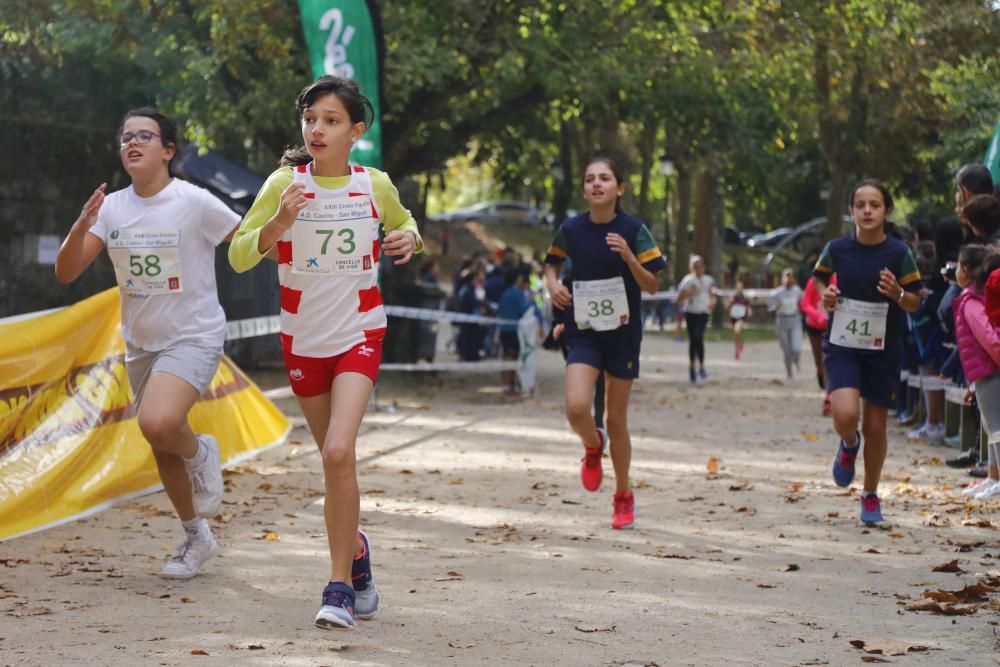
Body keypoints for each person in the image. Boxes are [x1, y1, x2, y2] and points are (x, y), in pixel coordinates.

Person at [228, 76, 422, 631]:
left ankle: (337, 588)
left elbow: (404, 222)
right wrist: (280, 222)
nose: (317, 129)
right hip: (302, 339)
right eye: (311, 118)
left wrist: (410, 237)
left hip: (360, 331)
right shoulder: (284, 183)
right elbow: (241, 255)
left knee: (339, 452)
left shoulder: (372, 184)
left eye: (331, 120)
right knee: (333, 463)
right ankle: (356, 552)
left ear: (355, 132)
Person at [54, 107, 236, 579]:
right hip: (142, 342)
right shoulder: (112, 207)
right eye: (125, 137)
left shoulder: (194, 201)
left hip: (194, 334)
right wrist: (80, 225)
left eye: (145, 136)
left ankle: (202, 454)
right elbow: (66, 272)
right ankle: (196, 536)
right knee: (159, 441)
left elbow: (247, 243)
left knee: (159, 421)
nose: (132, 143)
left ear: (168, 151)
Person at [544, 156, 666, 530]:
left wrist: (629, 257)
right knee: (577, 407)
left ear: (620, 188)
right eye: (590, 179)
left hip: (622, 335)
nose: (597, 184)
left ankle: (623, 494)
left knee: (616, 419)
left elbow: (653, 285)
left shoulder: (633, 228)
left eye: (605, 178)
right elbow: (551, 264)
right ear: (584, 189)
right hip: (583, 329)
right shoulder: (572, 229)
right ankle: (592, 445)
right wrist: (553, 285)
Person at [816, 179, 922, 526]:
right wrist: (827, 295)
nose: (866, 210)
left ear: (886, 210)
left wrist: (897, 294)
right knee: (846, 414)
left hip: (882, 350)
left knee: (876, 426)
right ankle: (848, 444)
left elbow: (915, 300)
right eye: (860, 204)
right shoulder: (837, 249)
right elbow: (819, 279)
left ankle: (871, 493)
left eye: (874, 205)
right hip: (843, 346)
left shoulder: (898, 253)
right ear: (852, 211)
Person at [951, 245, 1000, 499]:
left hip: (990, 370)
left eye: (959, 265)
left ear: (968, 270)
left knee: (997, 426)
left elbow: (989, 339)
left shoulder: (972, 302)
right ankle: (994, 476)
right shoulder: (975, 299)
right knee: (992, 426)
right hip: (982, 372)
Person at [677, 255, 716, 383]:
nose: (698, 268)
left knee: (698, 335)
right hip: (690, 312)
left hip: (703, 312)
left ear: (703, 266)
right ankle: (692, 367)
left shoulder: (708, 280)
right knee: (693, 339)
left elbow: (712, 294)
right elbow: (680, 297)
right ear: (691, 268)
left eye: (700, 265)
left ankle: (702, 366)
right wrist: (690, 293)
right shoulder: (687, 280)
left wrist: (712, 301)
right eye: (695, 266)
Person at [801, 275, 834, 415]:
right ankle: (820, 374)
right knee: (819, 362)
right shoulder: (812, 281)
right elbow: (805, 304)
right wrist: (818, 315)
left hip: (831, 327)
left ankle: (828, 398)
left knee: (827, 360)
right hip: (814, 326)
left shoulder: (837, 279)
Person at [497, 266, 532, 396]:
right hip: (513, 330)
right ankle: (509, 385)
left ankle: (506, 384)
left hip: (503, 329)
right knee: (511, 357)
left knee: (506, 356)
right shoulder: (518, 293)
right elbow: (523, 311)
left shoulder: (505, 293)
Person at [768, 269, 803, 381]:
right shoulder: (777, 293)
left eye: (790, 277)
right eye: (786, 277)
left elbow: (804, 303)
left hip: (795, 320)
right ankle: (789, 375)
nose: (788, 279)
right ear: (782, 279)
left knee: (796, 348)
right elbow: (770, 308)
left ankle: (796, 360)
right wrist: (777, 306)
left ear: (794, 279)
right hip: (782, 321)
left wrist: (801, 307)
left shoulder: (798, 291)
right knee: (787, 350)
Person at [728, 281, 751, 360]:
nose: (739, 289)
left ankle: (738, 347)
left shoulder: (744, 297)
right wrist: (729, 302)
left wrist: (750, 310)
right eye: (738, 287)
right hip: (733, 316)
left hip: (741, 316)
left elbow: (748, 306)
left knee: (737, 330)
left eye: (741, 288)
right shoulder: (733, 296)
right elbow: (727, 306)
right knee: (736, 333)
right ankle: (738, 347)